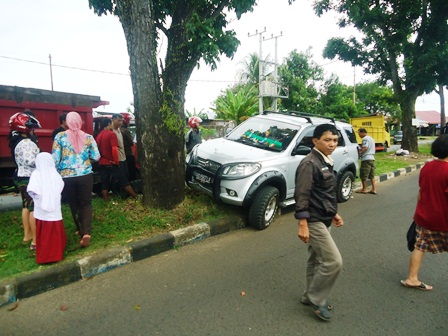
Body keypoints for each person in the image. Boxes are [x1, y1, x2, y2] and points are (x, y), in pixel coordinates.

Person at [294, 123, 344, 322]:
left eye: (335, 140)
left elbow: (324, 192)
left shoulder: (325, 160)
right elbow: (302, 195)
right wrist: (303, 224)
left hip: (324, 218)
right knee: (333, 261)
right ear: (315, 141)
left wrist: (334, 213)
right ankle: (317, 299)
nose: (332, 144)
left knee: (316, 260)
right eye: (327, 140)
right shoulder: (309, 163)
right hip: (313, 220)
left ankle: (309, 296)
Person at [401, 134, 448, 291]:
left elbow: (421, 192)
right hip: (444, 220)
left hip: (424, 217)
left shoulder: (427, 167)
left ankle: (412, 278)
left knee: (419, 246)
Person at [52, 111, 100, 248]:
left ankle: (80, 229)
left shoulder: (60, 137)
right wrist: (86, 161)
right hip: (85, 175)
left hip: (67, 176)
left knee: (74, 203)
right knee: (86, 203)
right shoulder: (88, 137)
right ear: (79, 121)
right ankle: (86, 232)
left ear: (67, 122)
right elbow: (96, 156)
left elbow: (54, 158)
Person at [8, 112, 41, 250]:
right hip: (30, 177)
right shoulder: (27, 143)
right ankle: (35, 241)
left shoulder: (17, 142)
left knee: (26, 206)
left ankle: (27, 236)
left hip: (21, 176)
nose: (33, 130)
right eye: (31, 127)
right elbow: (30, 161)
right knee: (34, 208)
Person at [27, 152, 66, 264]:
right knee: (55, 230)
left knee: (45, 233)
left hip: (42, 206)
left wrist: (39, 198)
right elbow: (61, 186)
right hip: (54, 207)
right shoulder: (55, 174)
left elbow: (32, 190)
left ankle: (46, 255)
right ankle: (57, 253)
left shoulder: (36, 174)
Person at [96, 118, 138, 202]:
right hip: (111, 162)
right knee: (123, 180)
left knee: (105, 183)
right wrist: (115, 161)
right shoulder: (111, 134)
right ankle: (136, 197)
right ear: (108, 124)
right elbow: (114, 148)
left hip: (102, 162)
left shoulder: (99, 135)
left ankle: (106, 201)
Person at [355, 128, 377, 194]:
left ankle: (364, 189)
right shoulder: (371, 139)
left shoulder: (365, 139)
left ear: (363, 132)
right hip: (372, 158)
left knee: (363, 174)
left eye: (359, 133)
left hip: (366, 158)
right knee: (371, 175)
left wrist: (360, 154)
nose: (359, 135)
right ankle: (373, 189)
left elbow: (365, 147)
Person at [121, 112, 138, 181]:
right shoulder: (125, 131)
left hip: (121, 155)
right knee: (131, 172)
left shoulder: (116, 130)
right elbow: (131, 143)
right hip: (128, 154)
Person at [111, 114, 128, 179]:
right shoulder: (111, 131)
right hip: (117, 159)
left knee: (126, 175)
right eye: (118, 121)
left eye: (121, 121)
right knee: (120, 179)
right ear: (113, 120)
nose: (120, 123)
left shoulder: (119, 130)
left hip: (123, 157)